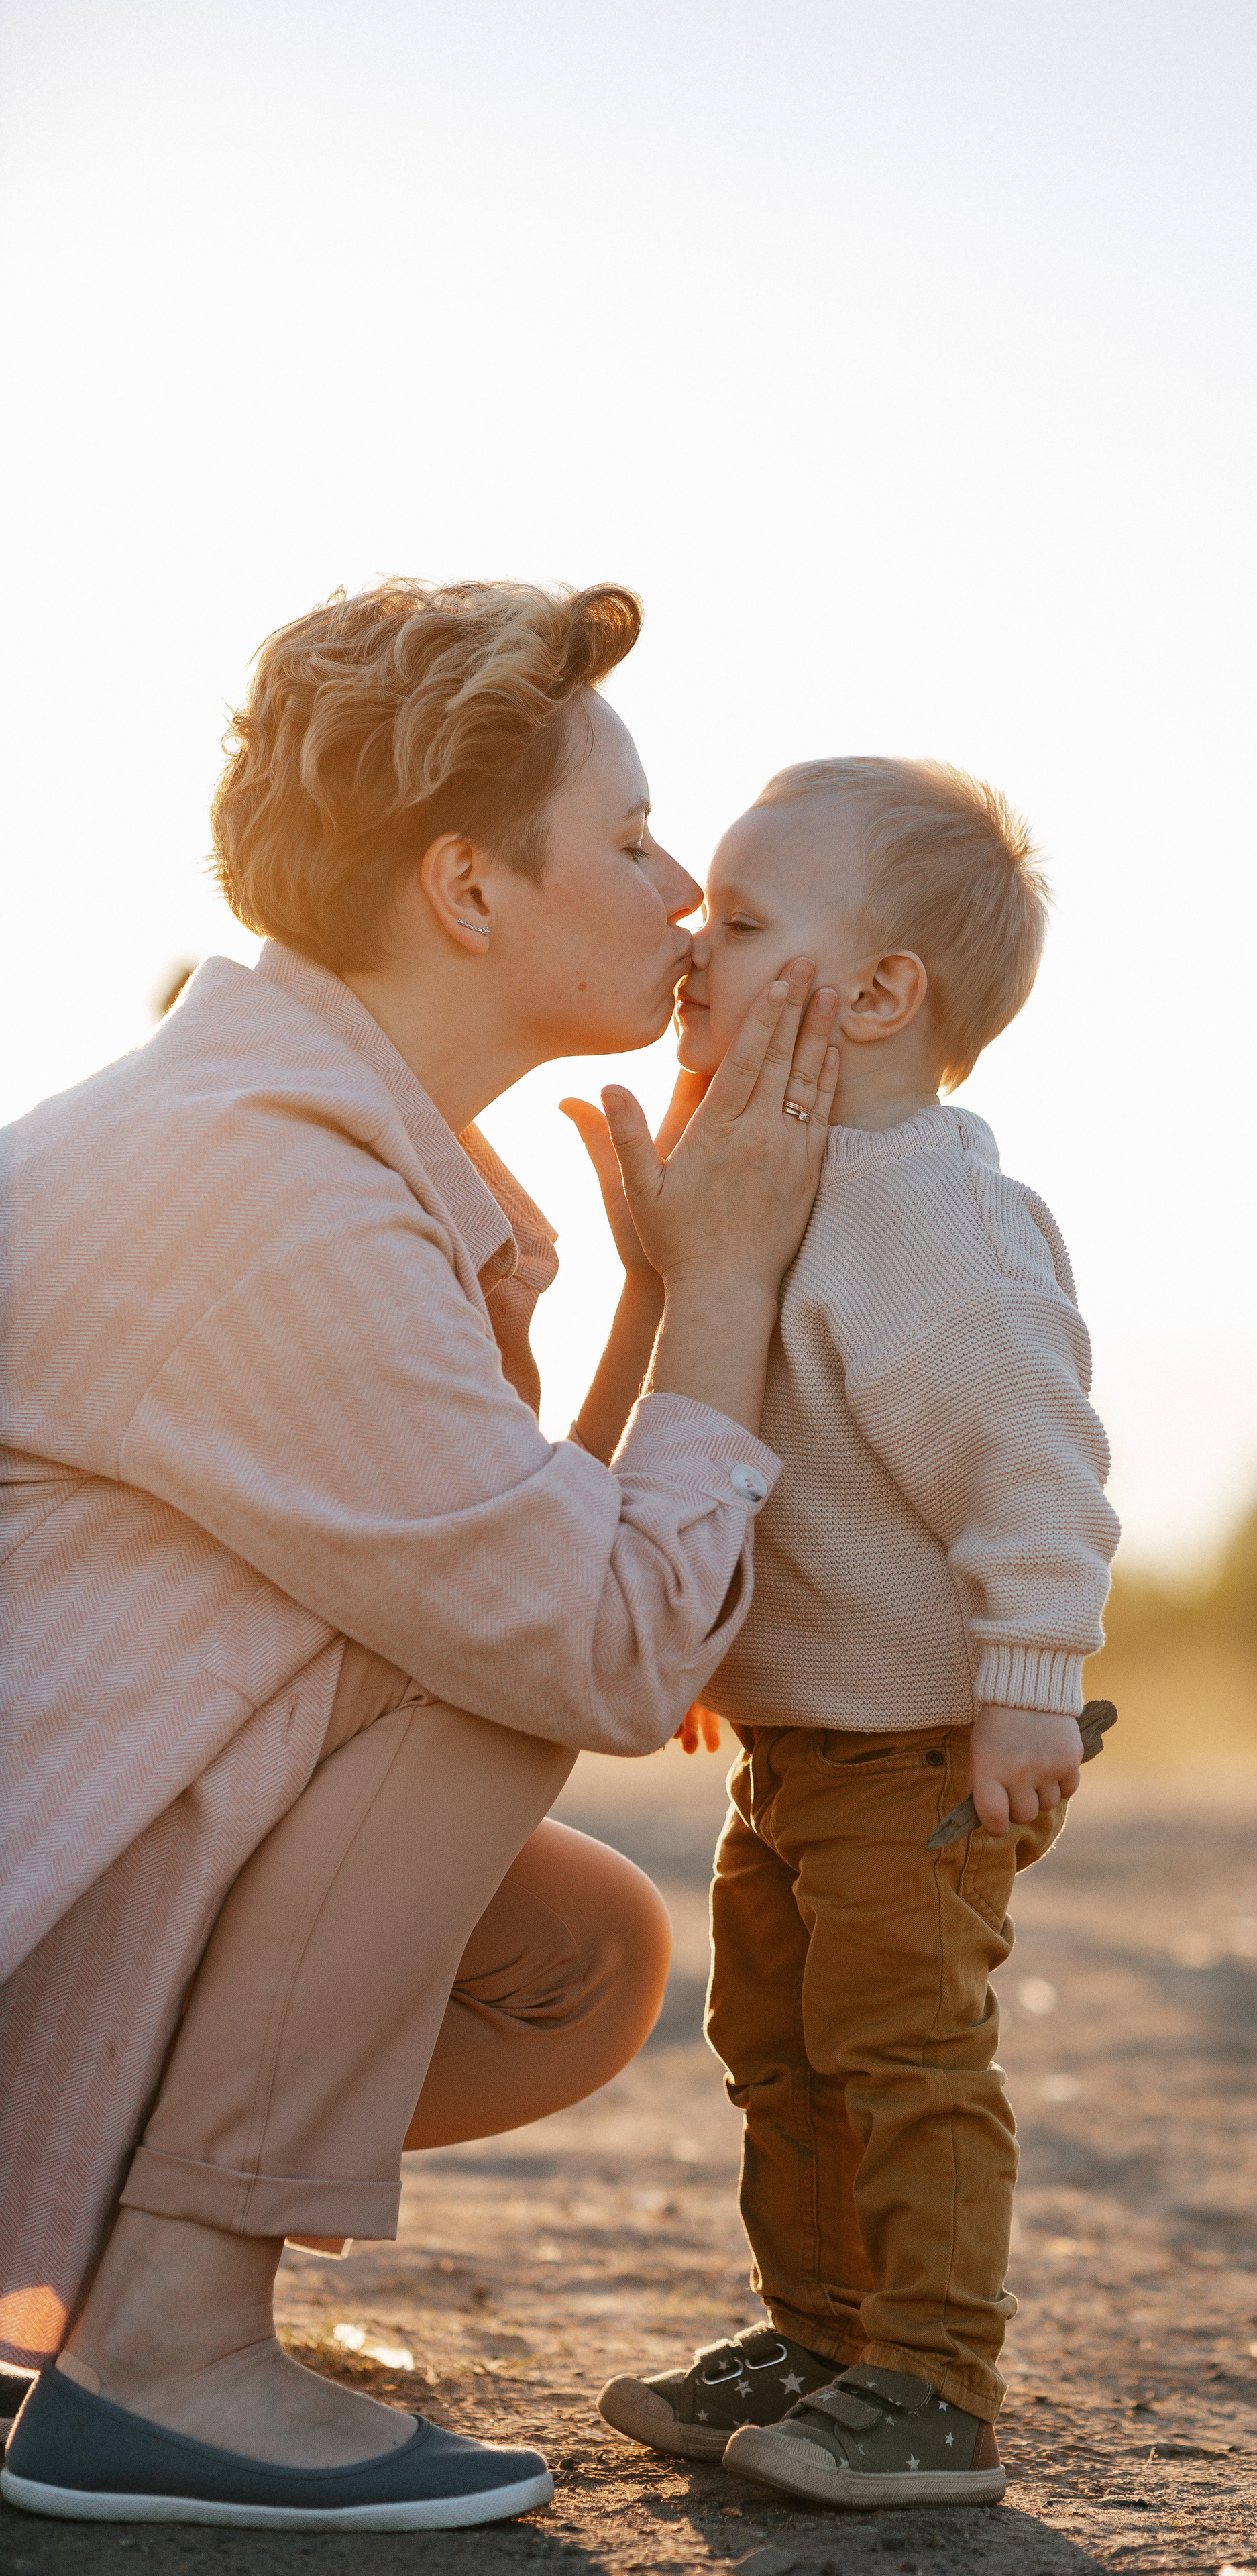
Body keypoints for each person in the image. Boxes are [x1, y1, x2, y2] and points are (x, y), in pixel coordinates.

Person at [0, 580, 841, 2532]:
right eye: (631, 842)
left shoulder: (277, 1123)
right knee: (478, 1688)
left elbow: (525, 1550)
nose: (684, 891)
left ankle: (131, 2304)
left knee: (574, 1956)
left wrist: (657, 1300)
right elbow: (588, 1645)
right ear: (468, 890)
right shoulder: (270, 1198)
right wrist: (726, 1286)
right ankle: (175, 2352)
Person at [596, 757, 1120, 2508]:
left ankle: (935, 2383)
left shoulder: (938, 1222)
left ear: (883, 992)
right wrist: (709, 1635)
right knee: (777, 2043)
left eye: (742, 924)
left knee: (905, 2053)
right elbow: (762, 1452)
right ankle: (822, 2332)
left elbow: (1033, 1472)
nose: (691, 945)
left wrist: (1030, 1691)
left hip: (921, 1758)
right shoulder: (777, 1185)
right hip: (795, 1746)